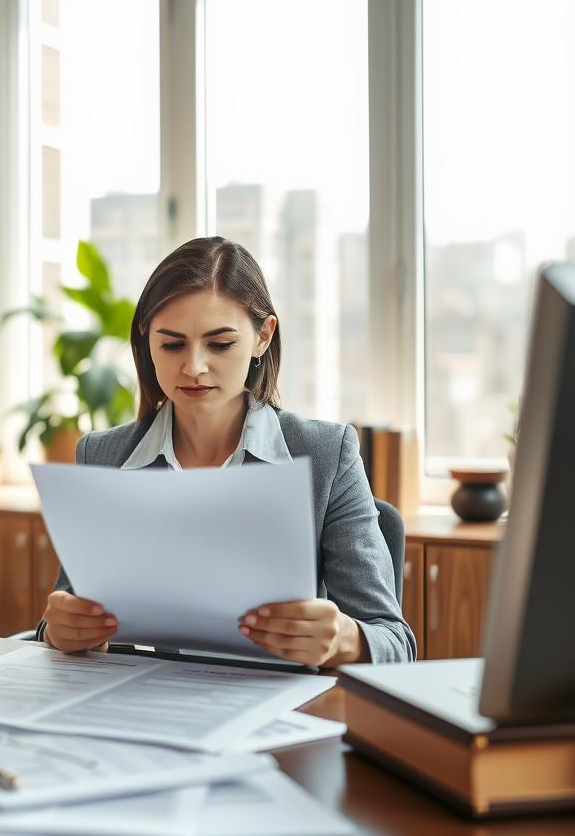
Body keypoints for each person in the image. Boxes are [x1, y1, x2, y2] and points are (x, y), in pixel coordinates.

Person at [37, 236, 416, 666]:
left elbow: (394, 642)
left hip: (287, 709)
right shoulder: (103, 455)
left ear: (262, 338)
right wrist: (61, 628)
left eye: (220, 344)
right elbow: (64, 616)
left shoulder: (327, 454)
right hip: (152, 702)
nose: (194, 367)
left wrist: (344, 640)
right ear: (147, 341)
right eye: (172, 344)